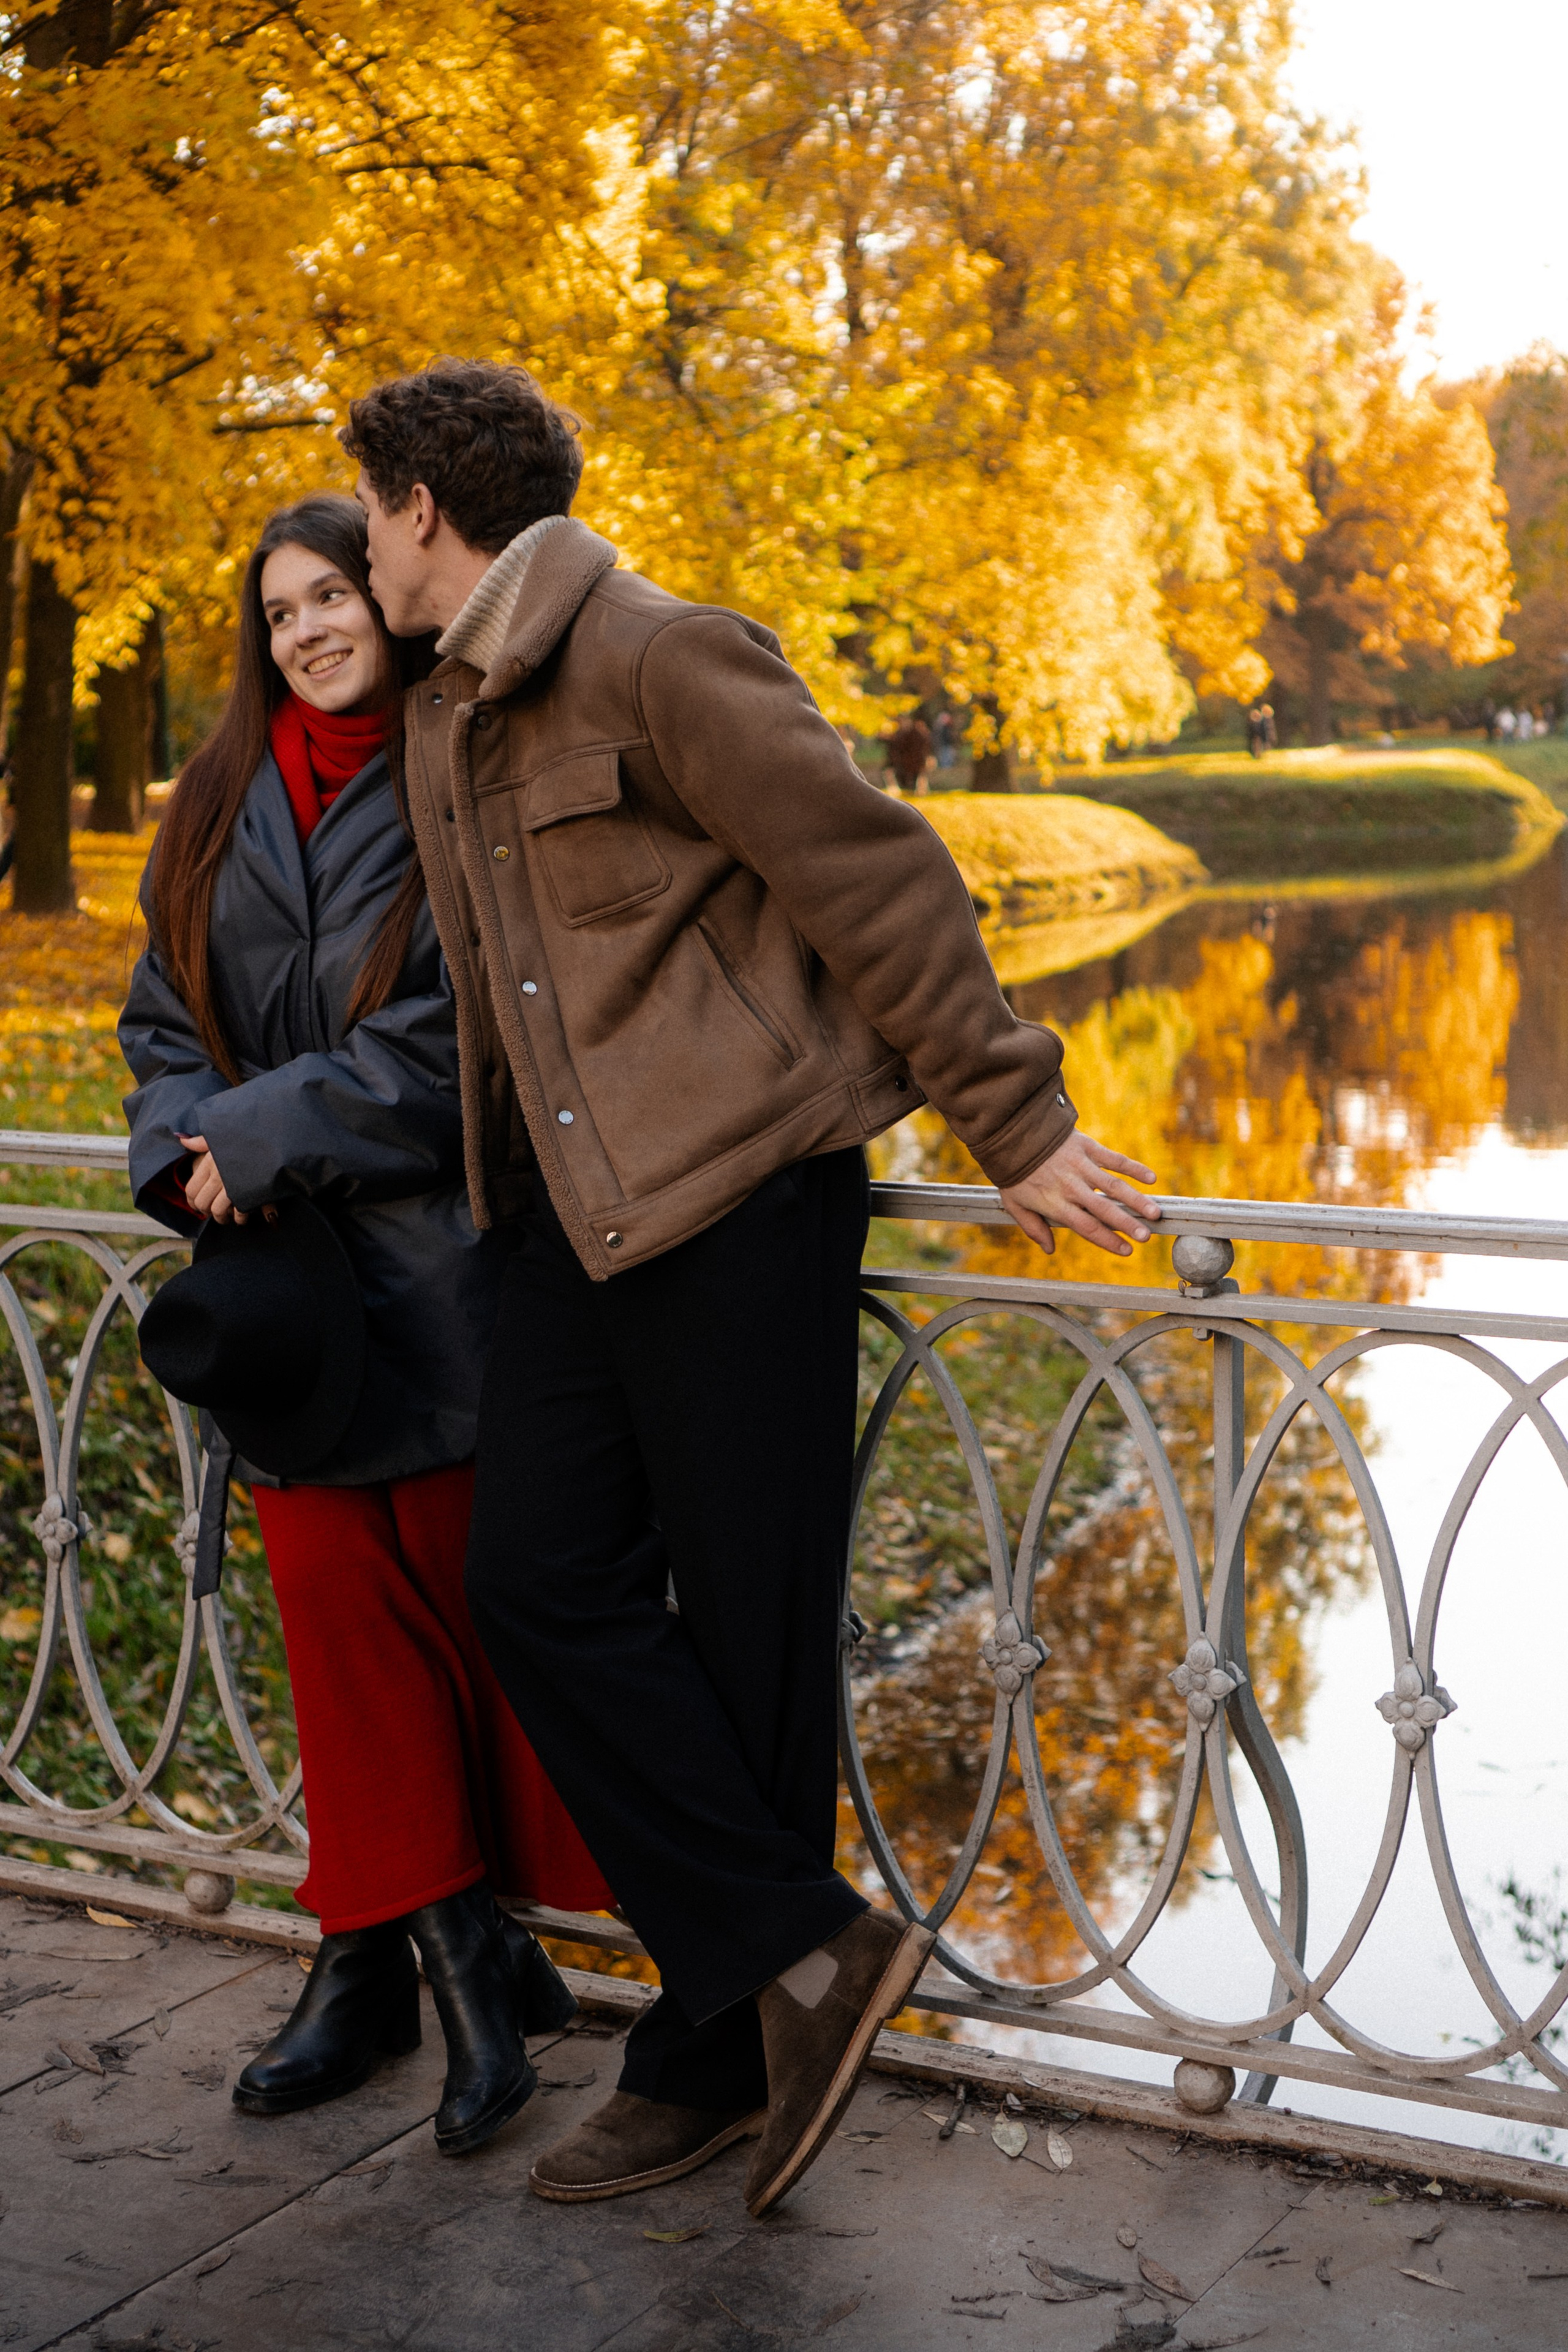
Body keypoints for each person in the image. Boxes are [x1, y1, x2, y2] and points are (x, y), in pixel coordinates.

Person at [342, 360, 1159, 2217]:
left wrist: (1013, 1119)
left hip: (742, 1201)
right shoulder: (449, 703)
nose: (363, 547)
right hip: (568, 1228)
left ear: (422, 508)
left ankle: (711, 2053)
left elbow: (876, 876)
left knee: (752, 1642)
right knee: (534, 1580)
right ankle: (804, 1948)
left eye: (369, 512)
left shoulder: (661, 651)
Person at [118, 492, 611, 2156]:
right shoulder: (215, 800)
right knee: (337, 1620)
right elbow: (159, 1018)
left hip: (446, 1275)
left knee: (458, 1626)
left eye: (332, 594)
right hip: (281, 1301)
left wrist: (254, 1135)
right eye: (279, 612)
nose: (310, 629)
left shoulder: (460, 765)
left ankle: (395, 1960)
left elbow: (465, 1033)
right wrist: (180, 1148)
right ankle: (439, 1967)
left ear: (390, 603)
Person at [884, 710, 935, 792]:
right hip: (906, 762)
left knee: (916, 777)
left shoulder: (915, 734)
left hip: (913, 761)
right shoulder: (901, 734)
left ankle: (918, 790)